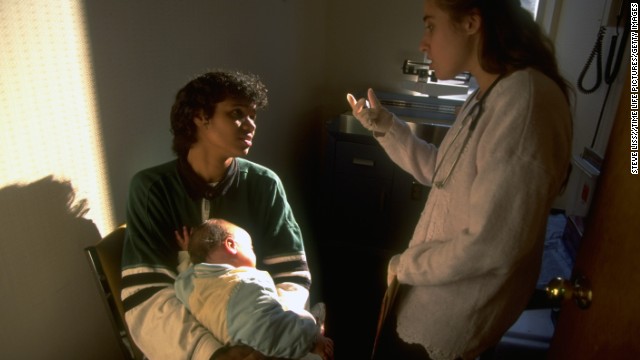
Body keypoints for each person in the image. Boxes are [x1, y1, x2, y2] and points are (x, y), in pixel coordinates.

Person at [346, 1, 573, 359]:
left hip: (447, 325)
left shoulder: (524, 98)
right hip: (425, 300)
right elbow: (442, 173)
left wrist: (407, 266)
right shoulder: (487, 94)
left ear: (471, 22)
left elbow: (494, 244)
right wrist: (386, 126)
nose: (423, 42)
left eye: (431, 25)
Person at [121, 69, 312, 359]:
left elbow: (291, 279)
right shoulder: (152, 189)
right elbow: (147, 296)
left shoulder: (264, 184)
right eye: (237, 113)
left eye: (253, 116)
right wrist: (211, 353)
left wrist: (267, 338)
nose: (250, 125)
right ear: (200, 116)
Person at [174, 218, 334, 360]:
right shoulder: (245, 286)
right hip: (258, 346)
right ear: (231, 245)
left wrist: (188, 253)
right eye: (250, 247)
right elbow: (273, 331)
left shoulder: (187, 283)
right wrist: (313, 341)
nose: (253, 252)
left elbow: (187, 271)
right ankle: (313, 327)